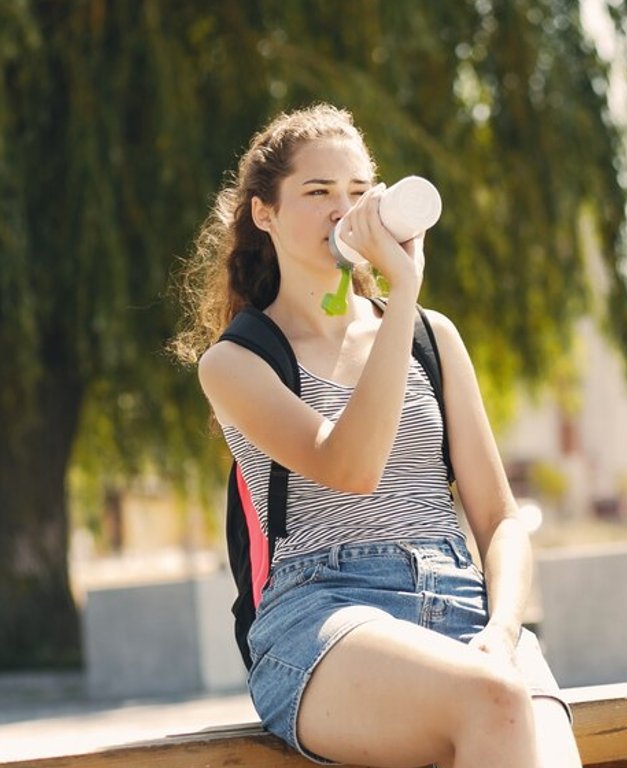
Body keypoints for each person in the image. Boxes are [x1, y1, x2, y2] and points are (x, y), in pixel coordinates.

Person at [170, 104, 582, 767]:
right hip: (322, 616)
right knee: (495, 702)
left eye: (360, 193)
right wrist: (405, 292)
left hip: (468, 611)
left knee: (526, 724)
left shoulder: (433, 339)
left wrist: (504, 631)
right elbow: (352, 466)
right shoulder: (237, 363)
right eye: (319, 192)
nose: (345, 211)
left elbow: (500, 517)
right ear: (263, 214)